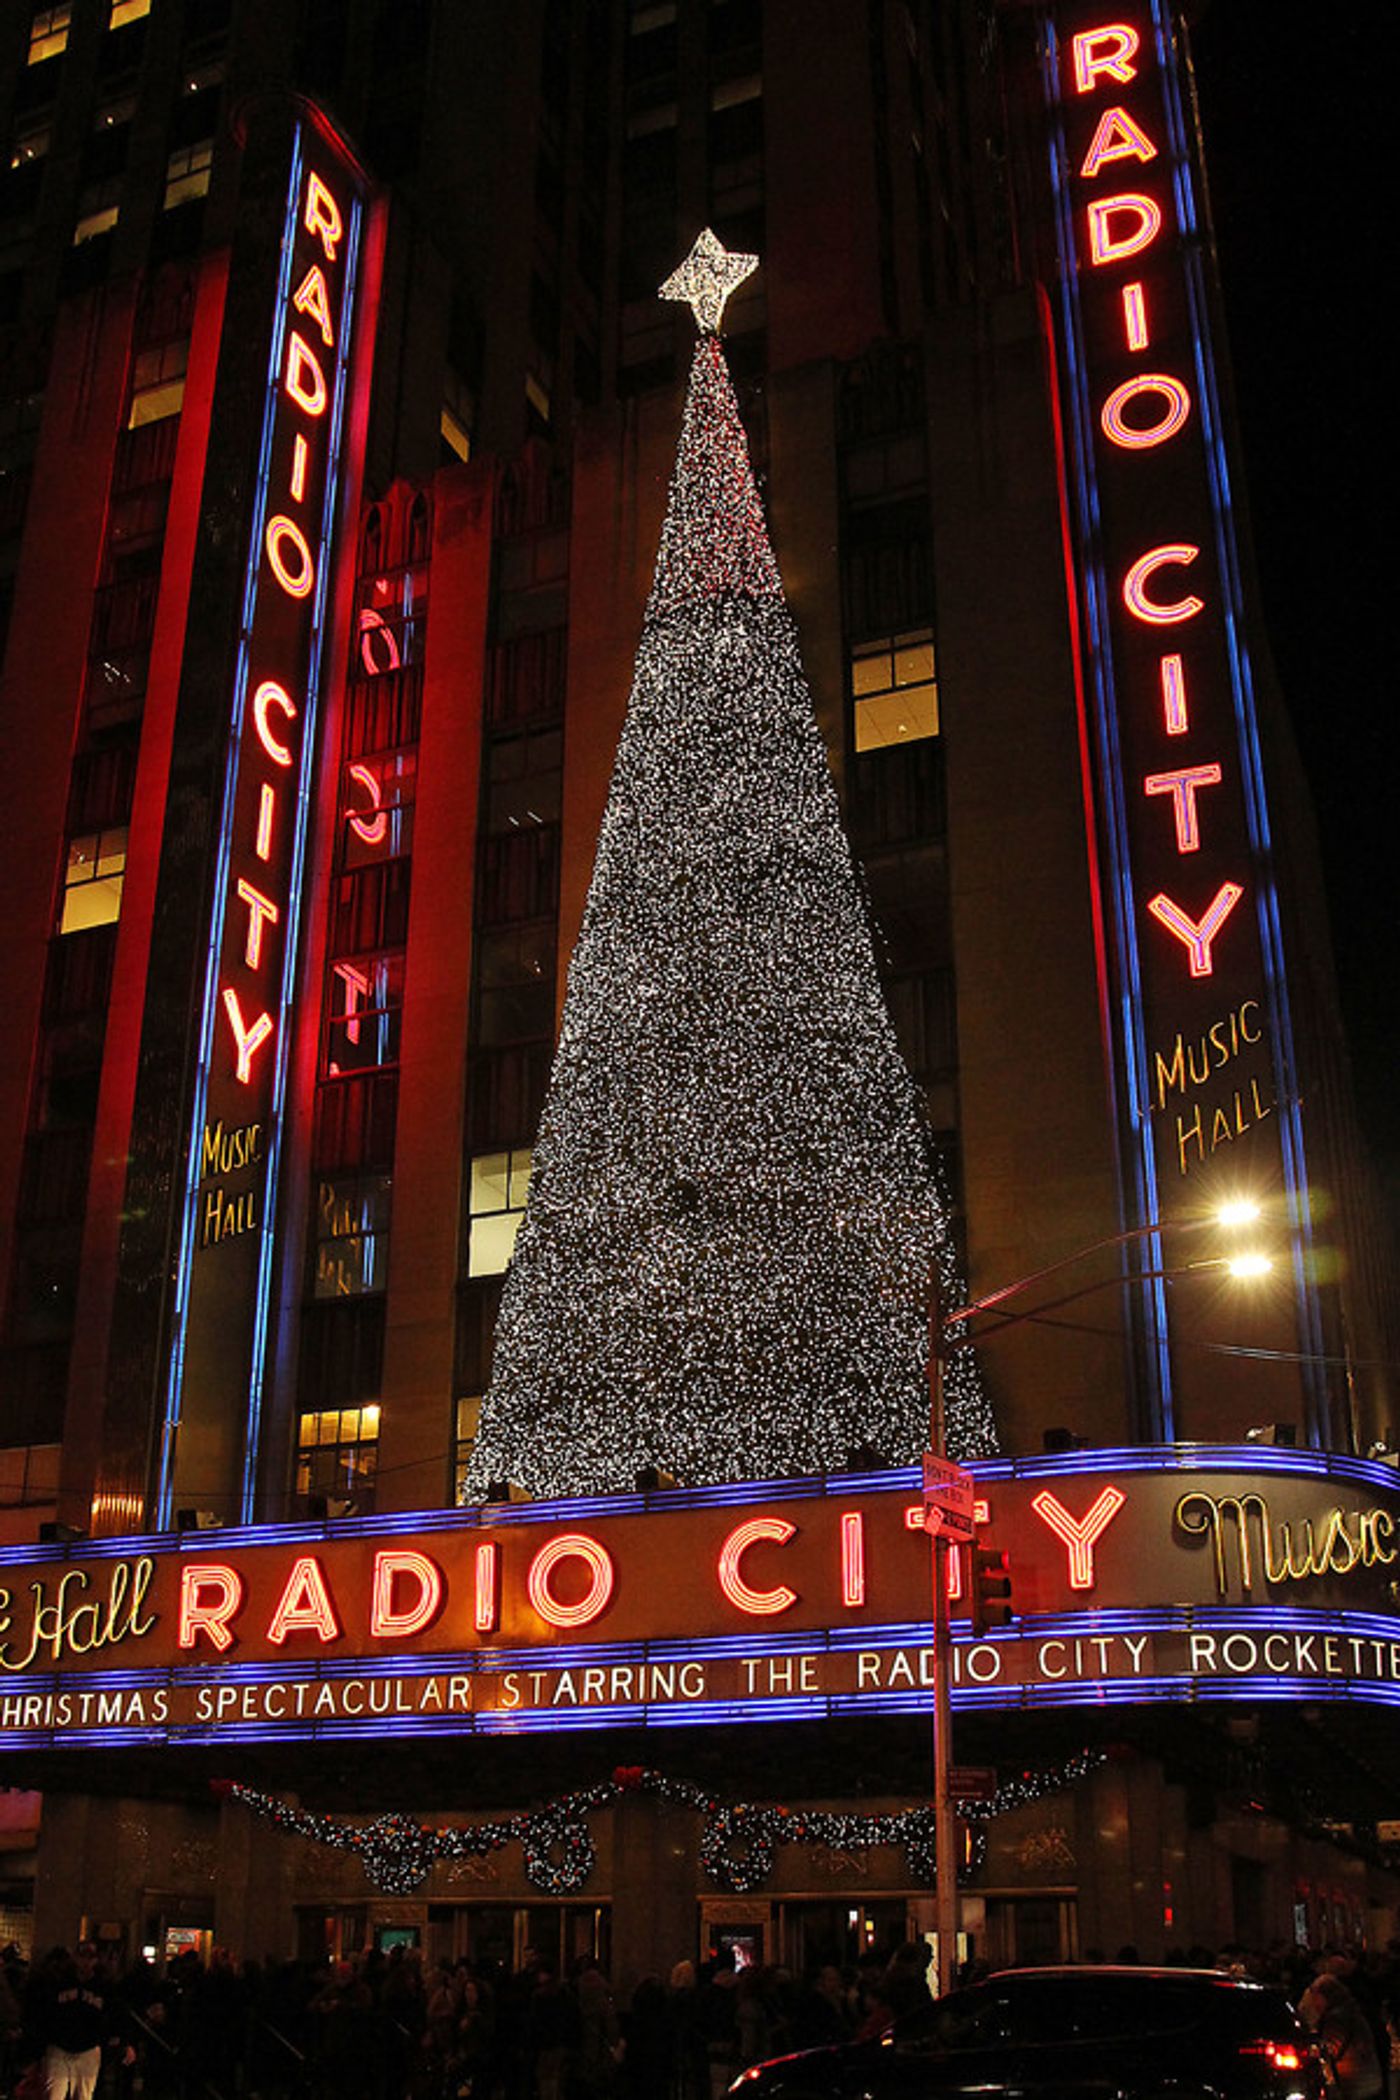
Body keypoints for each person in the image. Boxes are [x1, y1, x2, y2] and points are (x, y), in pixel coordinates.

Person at [24, 1941, 131, 2100]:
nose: (86, 1962)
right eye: (82, 1957)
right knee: (54, 2095)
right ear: (75, 1958)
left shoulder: (104, 1986)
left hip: (88, 2048)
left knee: (83, 2096)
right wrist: (36, 2050)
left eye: (90, 1958)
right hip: (59, 2047)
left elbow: (117, 2014)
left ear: (96, 1960)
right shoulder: (58, 1983)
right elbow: (43, 2015)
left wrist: (123, 2040)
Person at [1299, 1972, 1384, 2100]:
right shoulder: (1348, 2010)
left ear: (1325, 1996)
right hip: (1369, 2082)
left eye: (1316, 1999)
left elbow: (1332, 2047)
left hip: (1359, 2086)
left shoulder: (1338, 2018)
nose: (1315, 2004)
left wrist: (1308, 2052)